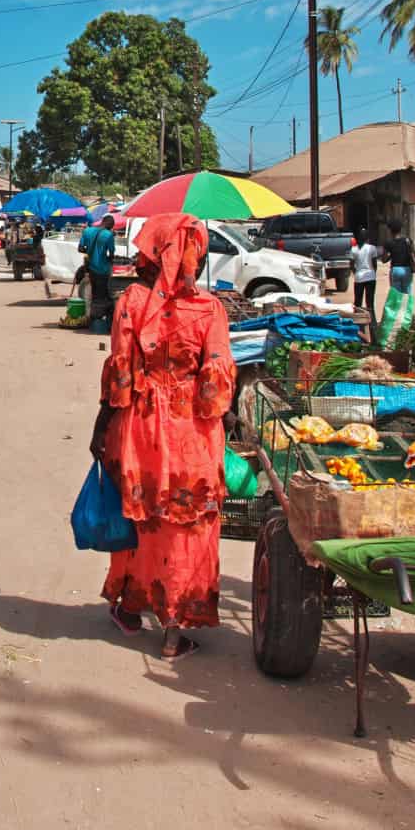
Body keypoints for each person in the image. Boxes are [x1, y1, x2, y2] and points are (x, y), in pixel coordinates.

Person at [89, 213, 236, 659]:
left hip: (140, 424)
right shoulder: (210, 309)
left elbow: (120, 375)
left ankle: (131, 608)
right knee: (187, 522)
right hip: (192, 429)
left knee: (143, 516)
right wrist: (215, 420)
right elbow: (217, 382)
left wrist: (101, 425)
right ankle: (174, 629)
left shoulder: (131, 302)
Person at [78, 213, 119, 327]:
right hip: (103, 270)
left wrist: (91, 253)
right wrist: (108, 260)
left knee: (95, 293)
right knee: (104, 295)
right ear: (110, 225)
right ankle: (99, 320)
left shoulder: (87, 231)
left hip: (91, 268)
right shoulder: (108, 235)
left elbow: (80, 248)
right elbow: (111, 254)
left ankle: (92, 319)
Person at [350, 230, 379, 315]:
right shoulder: (372, 248)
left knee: (358, 302)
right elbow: (375, 264)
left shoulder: (354, 249)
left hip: (359, 278)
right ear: (367, 238)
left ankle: (358, 322)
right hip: (370, 277)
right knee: (370, 302)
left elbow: (351, 264)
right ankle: (372, 323)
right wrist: (373, 273)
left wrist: (356, 272)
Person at [384, 224, 415, 297]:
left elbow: (384, 260)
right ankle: (405, 308)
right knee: (406, 294)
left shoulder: (388, 243)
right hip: (407, 270)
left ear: (390, 231)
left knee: (396, 294)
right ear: (401, 230)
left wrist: (392, 255)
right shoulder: (408, 241)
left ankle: (397, 308)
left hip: (395, 270)